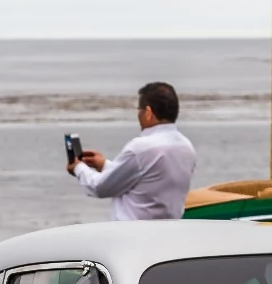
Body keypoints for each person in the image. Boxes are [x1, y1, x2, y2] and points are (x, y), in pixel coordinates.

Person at [68, 82, 196, 220]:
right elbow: (145, 178)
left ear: (148, 113)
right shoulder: (186, 147)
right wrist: (104, 165)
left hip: (132, 234)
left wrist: (78, 167)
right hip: (166, 232)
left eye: (139, 109)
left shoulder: (141, 148)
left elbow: (99, 187)